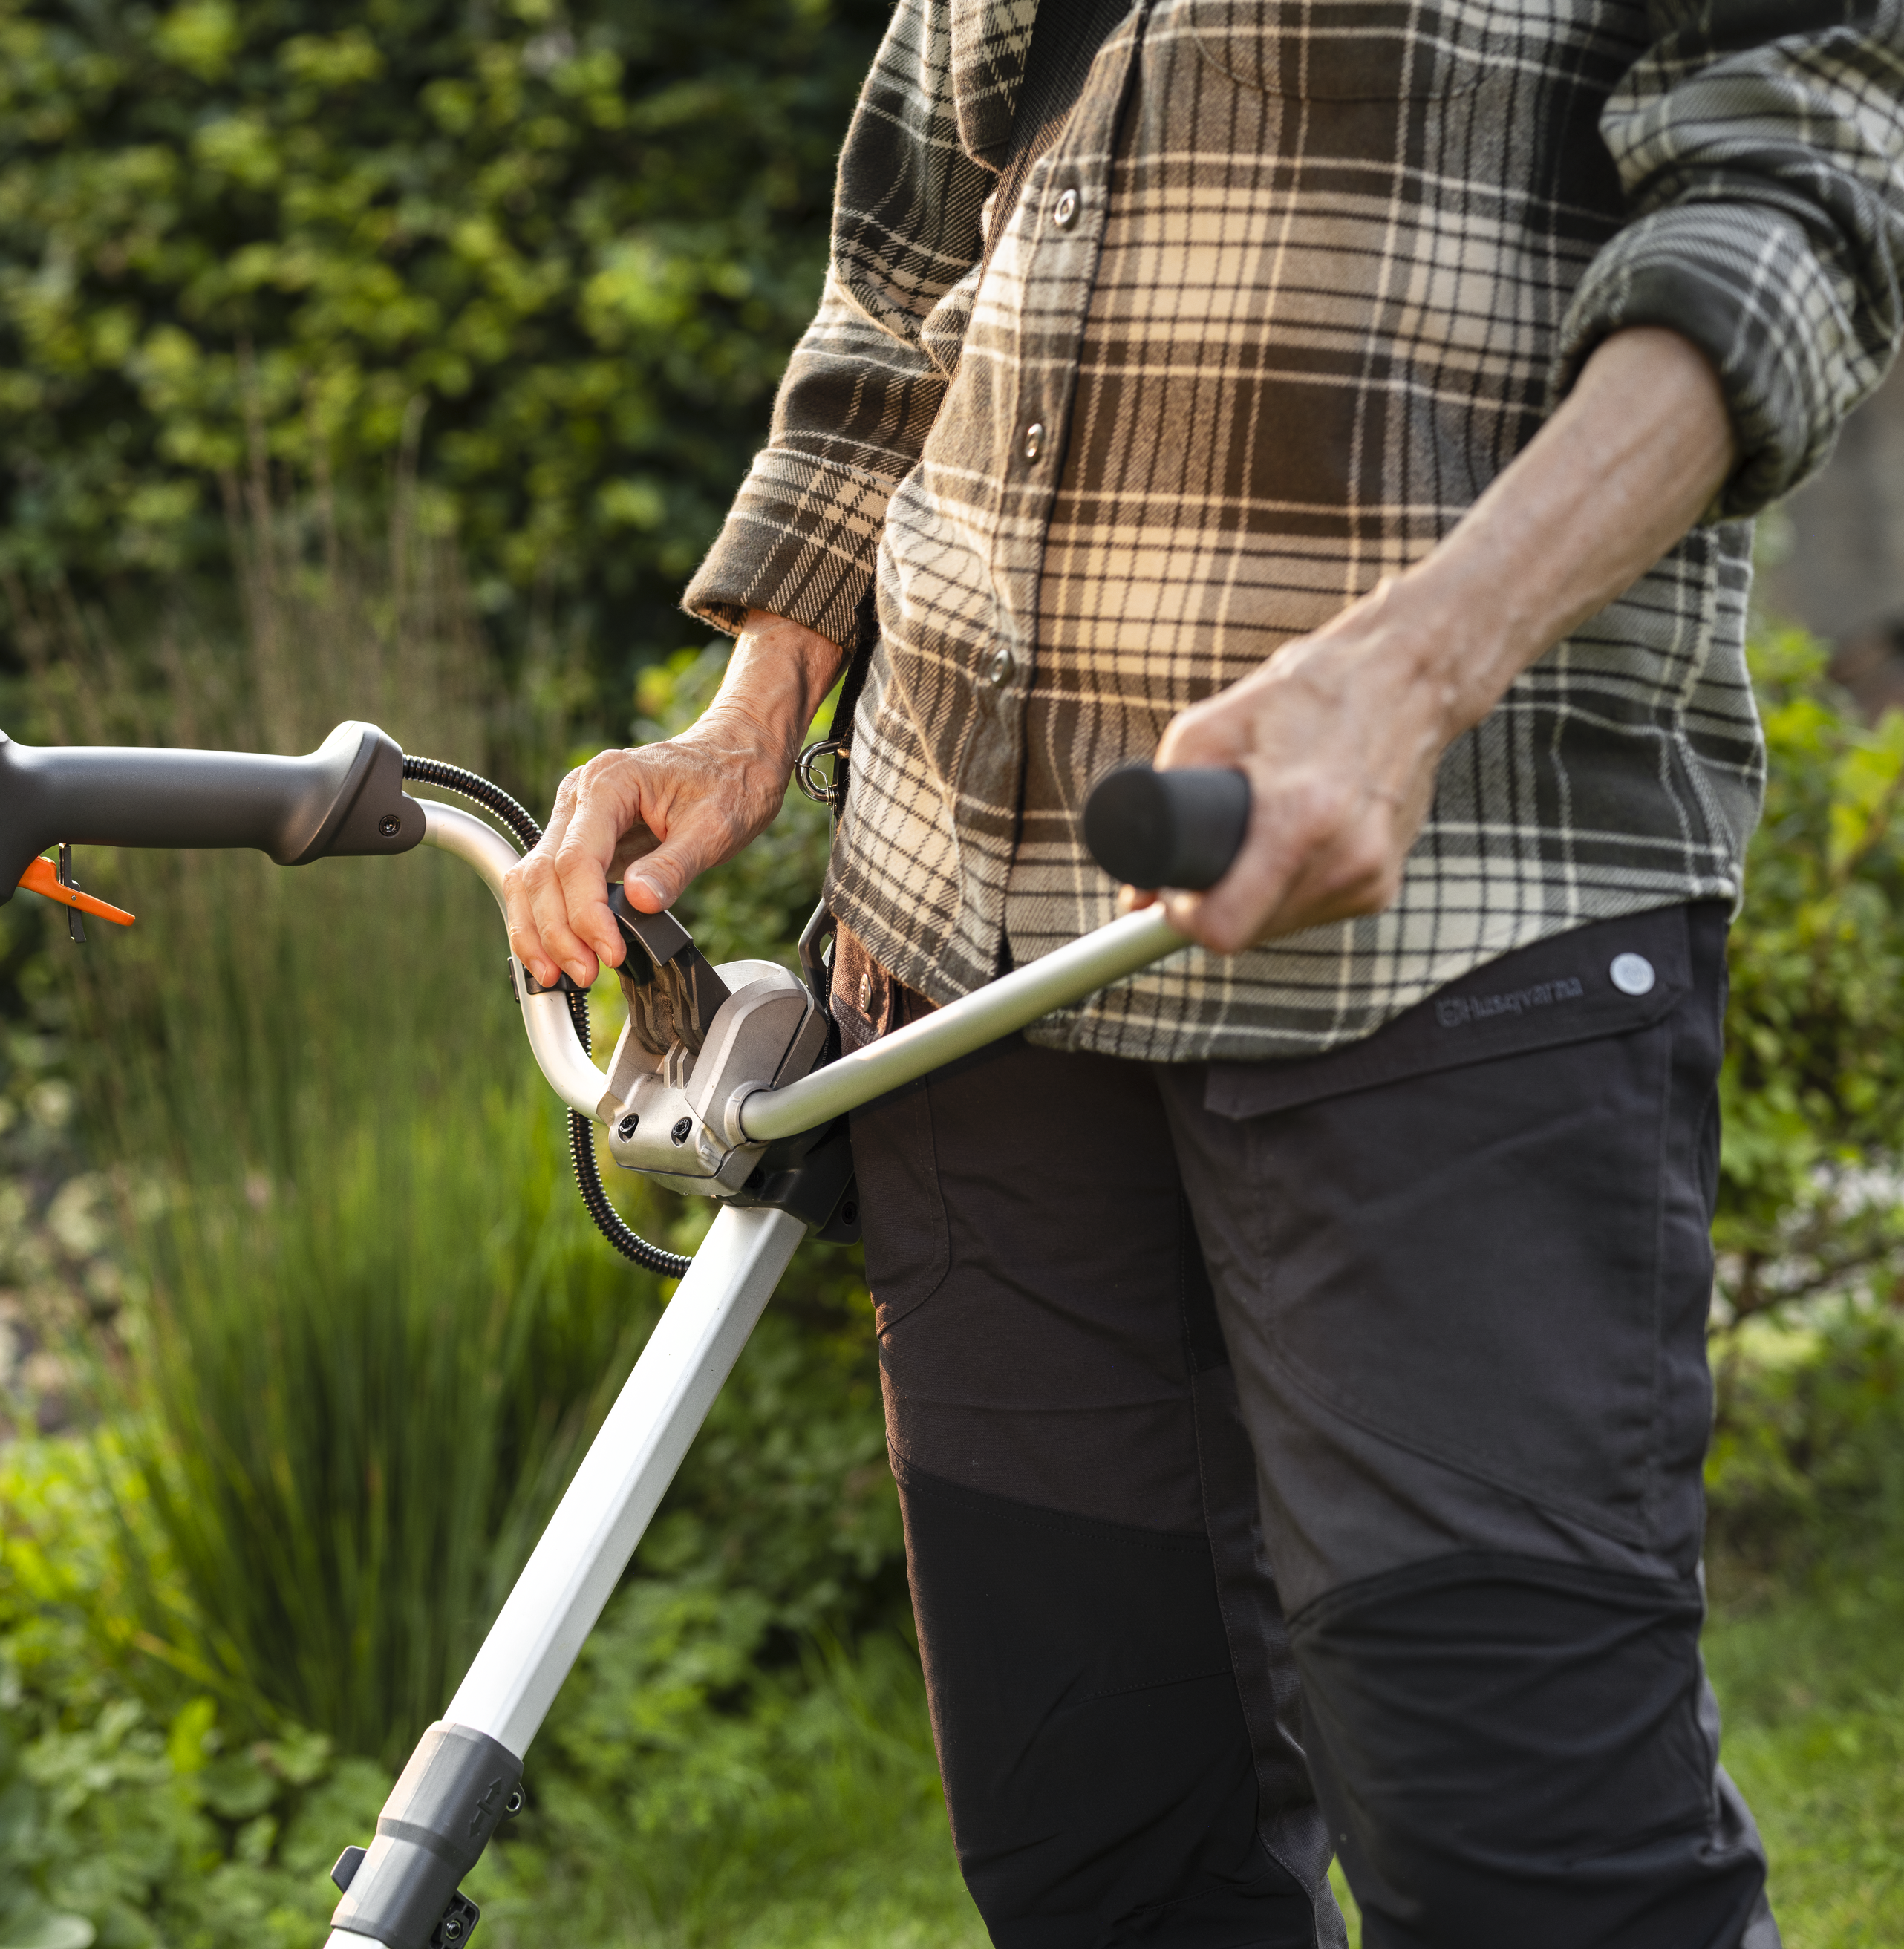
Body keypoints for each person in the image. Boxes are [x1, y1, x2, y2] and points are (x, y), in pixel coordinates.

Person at [503, 2, 1904, 1944]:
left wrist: (1411, 671)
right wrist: (751, 708)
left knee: (1530, 1874)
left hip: (1441, 944)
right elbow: (908, 261)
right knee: (1099, 1859)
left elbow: (1799, 201)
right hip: (963, 973)